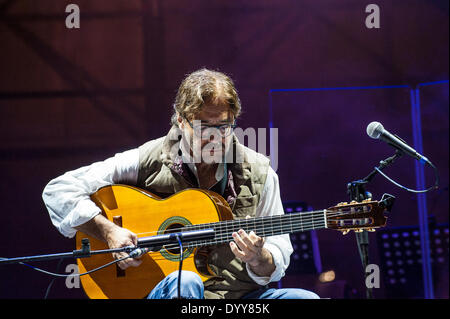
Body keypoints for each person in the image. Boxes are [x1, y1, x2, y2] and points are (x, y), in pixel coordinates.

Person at [42, 68, 319, 299]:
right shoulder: (146, 159)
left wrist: (259, 258)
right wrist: (108, 231)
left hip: (238, 299)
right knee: (185, 282)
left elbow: (279, 254)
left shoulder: (260, 171)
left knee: (307, 298)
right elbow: (59, 190)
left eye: (224, 127)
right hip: (168, 292)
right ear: (180, 120)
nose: (216, 137)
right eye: (203, 127)